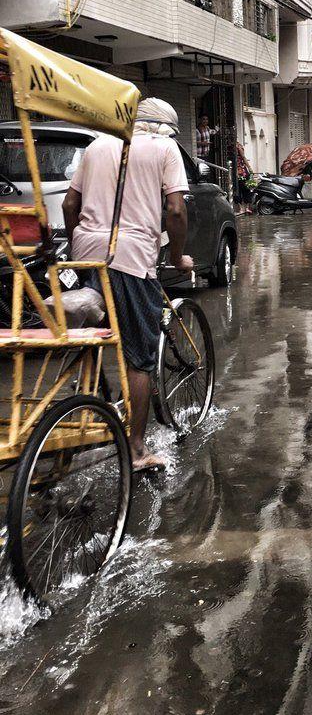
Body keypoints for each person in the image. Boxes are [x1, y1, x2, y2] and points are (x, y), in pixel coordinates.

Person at [62, 98, 193, 473]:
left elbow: (71, 206)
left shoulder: (96, 146)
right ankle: (136, 450)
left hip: (88, 251)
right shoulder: (165, 148)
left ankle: (86, 400)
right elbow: (176, 210)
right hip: (133, 258)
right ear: (166, 129)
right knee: (139, 357)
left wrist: (82, 246)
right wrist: (176, 256)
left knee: (97, 331)